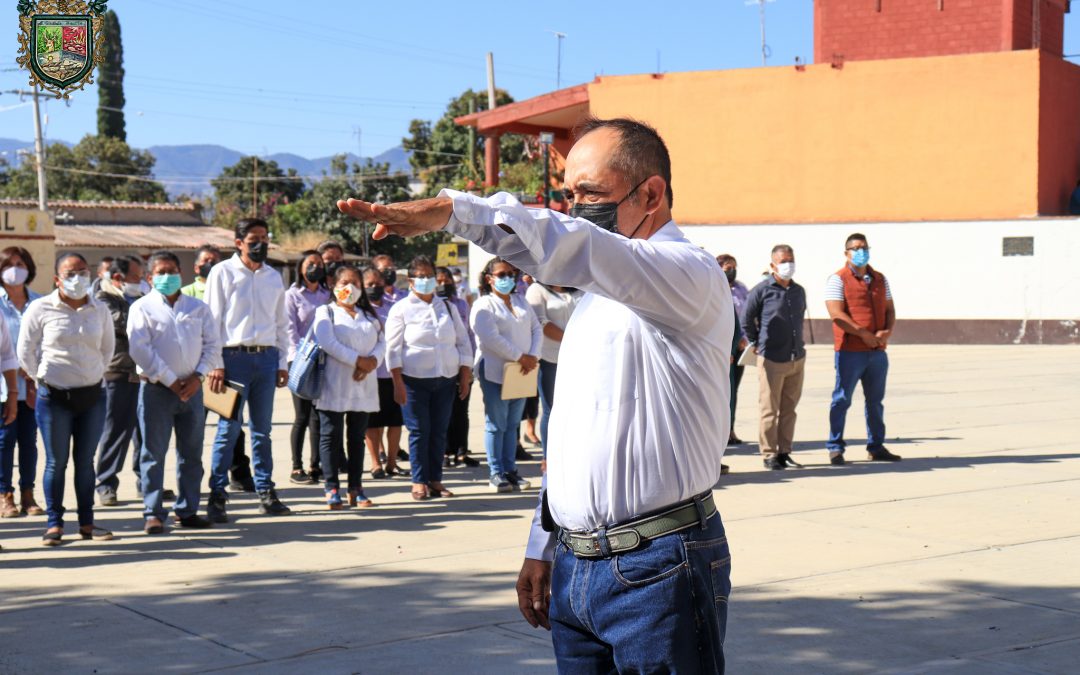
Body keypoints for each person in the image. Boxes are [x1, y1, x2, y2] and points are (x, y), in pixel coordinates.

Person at [337, 116, 733, 673]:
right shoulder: (596, 302)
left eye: (590, 193)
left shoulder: (687, 275)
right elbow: (569, 433)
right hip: (576, 567)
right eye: (568, 194)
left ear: (651, 193)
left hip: (658, 568)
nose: (575, 208)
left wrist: (455, 211)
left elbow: (572, 245)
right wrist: (541, 544)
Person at [18, 252, 116, 546]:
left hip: (92, 395)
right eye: (70, 273)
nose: (77, 279)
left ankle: (86, 522)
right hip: (54, 397)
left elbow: (107, 350)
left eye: (83, 272)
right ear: (57, 278)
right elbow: (26, 350)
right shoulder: (41, 308)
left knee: (85, 462)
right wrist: (41, 378)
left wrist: (94, 373)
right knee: (56, 462)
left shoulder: (99, 310)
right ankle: (54, 524)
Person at [204, 218, 292, 521]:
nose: (260, 244)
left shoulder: (273, 276)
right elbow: (212, 322)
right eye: (254, 238)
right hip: (231, 360)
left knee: (262, 431)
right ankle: (217, 494)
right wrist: (214, 364)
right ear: (238, 242)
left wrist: (281, 362)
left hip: (266, 359)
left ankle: (266, 491)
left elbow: (282, 324)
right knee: (228, 431)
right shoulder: (222, 272)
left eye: (265, 238)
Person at [127, 251, 219, 534]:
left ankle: (188, 509)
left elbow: (213, 345)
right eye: (161, 272)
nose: (168, 277)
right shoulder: (141, 308)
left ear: (182, 273)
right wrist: (169, 380)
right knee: (153, 453)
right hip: (157, 390)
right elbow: (140, 349)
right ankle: (153, 512)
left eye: (172, 271)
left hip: (193, 390)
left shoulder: (198, 308)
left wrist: (197, 376)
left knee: (191, 454)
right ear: (150, 277)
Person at [384, 256, 472, 501]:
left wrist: (465, 374)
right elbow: (392, 349)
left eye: (428, 275)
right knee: (419, 431)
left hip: (445, 379)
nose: (425, 280)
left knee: (439, 431)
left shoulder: (447, 307)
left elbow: (463, 342)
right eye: (420, 277)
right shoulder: (401, 309)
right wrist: (397, 382)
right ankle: (418, 481)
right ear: (411, 281)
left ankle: (435, 480)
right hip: (413, 381)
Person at [182, 244, 254, 492]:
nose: (210, 264)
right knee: (195, 428)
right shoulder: (186, 293)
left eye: (214, 260)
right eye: (205, 260)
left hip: (222, 368)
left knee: (233, 425)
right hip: (196, 372)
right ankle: (193, 480)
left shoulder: (228, 285)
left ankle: (239, 474)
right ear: (196, 266)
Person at [825, 233, 901, 465]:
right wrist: (863, 334)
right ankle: (835, 447)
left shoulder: (879, 279)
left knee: (875, 401)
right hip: (850, 351)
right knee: (842, 399)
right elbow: (836, 314)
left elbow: (890, 309)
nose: (861, 251)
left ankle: (876, 445)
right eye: (855, 248)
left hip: (877, 352)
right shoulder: (838, 279)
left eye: (864, 247)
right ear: (846, 252)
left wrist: (886, 332)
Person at [312, 265, 384, 509]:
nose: (350, 288)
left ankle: (356, 487)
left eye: (355, 283)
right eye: (344, 283)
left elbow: (382, 342)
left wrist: (373, 361)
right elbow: (327, 341)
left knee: (356, 437)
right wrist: (357, 360)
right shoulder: (326, 312)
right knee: (330, 436)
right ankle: (331, 487)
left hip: (363, 385)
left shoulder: (368, 316)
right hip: (335, 383)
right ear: (334, 285)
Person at [469, 258, 542, 494]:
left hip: (521, 372)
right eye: (501, 274)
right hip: (495, 371)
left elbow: (536, 329)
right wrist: (520, 356)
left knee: (512, 424)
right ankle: (496, 472)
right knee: (496, 423)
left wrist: (532, 356)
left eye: (511, 273)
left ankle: (511, 470)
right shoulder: (483, 306)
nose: (507, 278)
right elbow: (490, 338)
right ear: (489, 279)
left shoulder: (521, 301)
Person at [741, 245, 807, 471]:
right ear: (773, 265)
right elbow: (746, 320)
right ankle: (769, 454)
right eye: (783, 261)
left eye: (791, 259)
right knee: (769, 409)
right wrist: (756, 343)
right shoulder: (761, 290)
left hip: (796, 358)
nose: (788, 264)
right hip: (771, 359)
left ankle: (784, 452)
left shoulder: (798, 291)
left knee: (789, 409)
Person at [94, 255, 145, 506]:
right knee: (115, 431)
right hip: (118, 373)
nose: (141, 281)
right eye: (136, 277)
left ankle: (146, 481)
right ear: (118, 278)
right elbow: (126, 325)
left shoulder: (138, 298)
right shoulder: (104, 299)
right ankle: (105, 483)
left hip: (145, 374)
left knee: (145, 433)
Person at [0, 247, 44, 517]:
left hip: (33, 383)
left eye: (20, 263)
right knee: (4, 440)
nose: (15, 268)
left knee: (29, 440)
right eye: (9, 264)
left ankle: (28, 493)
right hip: (4, 385)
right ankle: (5, 495)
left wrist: (34, 370)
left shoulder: (40, 302)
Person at [524, 280, 582, 461]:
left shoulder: (579, 288)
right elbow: (540, 324)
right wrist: (572, 338)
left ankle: (573, 453)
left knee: (577, 408)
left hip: (579, 358)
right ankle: (549, 458)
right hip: (550, 359)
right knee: (552, 409)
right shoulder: (537, 290)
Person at [285, 250, 329, 485]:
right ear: (301, 268)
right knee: (301, 415)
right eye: (311, 263)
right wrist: (297, 358)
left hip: (323, 360)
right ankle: (296, 466)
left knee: (318, 416)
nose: (315, 267)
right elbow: (289, 330)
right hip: (301, 359)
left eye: (319, 264)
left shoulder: (327, 294)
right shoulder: (292, 295)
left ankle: (315, 464)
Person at [361, 266, 407, 478]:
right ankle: (375, 462)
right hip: (370, 373)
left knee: (395, 420)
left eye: (377, 284)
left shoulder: (395, 307)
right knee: (373, 421)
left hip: (393, 372)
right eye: (369, 284)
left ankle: (391, 462)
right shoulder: (361, 309)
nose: (374, 288)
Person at [436, 266, 479, 468]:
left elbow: (469, 334)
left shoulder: (461, 304)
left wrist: (468, 365)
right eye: (439, 281)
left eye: (447, 281)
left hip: (461, 364)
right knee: (444, 411)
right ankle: (445, 451)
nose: (443, 285)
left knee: (461, 411)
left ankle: (461, 450)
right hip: (442, 365)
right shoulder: (432, 306)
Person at [717, 254, 749, 445]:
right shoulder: (716, 288)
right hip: (724, 348)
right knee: (724, 392)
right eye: (728, 268)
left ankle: (731, 430)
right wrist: (727, 347)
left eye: (734, 267)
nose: (732, 271)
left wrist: (746, 339)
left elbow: (746, 314)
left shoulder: (741, 289)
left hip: (741, 345)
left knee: (734, 391)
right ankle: (721, 433)